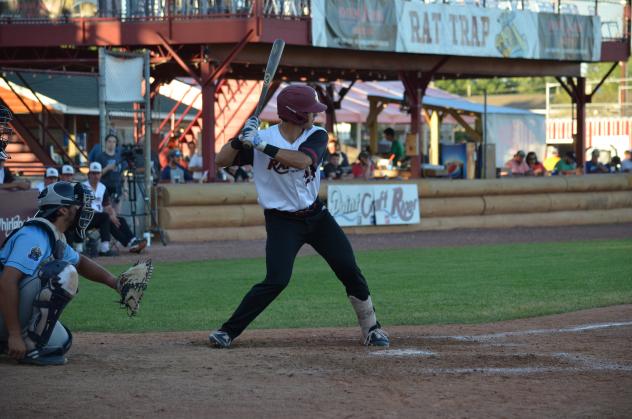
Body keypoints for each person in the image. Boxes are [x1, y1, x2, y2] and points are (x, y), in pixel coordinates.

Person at [210, 84, 389, 349]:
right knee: (277, 279)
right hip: (282, 221)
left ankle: (372, 328)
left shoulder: (316, 135)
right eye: (310, 112)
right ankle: (227, 331)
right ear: (295, 114)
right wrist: (239, 140)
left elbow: (303, 161)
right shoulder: (262, 137)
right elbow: (220, 161)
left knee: (349, 268)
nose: (314, 116)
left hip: (316, 216)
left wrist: (261, 145)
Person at [0, 182, 121, 365]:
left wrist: (116, 282)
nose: (83, 210)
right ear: (63, 210)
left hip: (10, 311)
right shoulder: (34, 234)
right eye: (77, 205)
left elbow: (81, 262)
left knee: (60, 342)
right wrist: (15, 334)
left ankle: (7, 343)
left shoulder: (53, 235)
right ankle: (28, 347)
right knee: (63, 272)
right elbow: (7, 281)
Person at [83, 162, 146, 255]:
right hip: (86, 218)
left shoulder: (102, 187)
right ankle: (106, 249)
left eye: (98, 173)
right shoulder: (83, 187)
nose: (95, 176)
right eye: (93, 173)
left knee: (119, 220)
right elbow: (82, 206)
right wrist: (108, 215)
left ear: (101, 174)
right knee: (105, 218)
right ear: (89, 174)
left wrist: (112, 214)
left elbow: (107, 206)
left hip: (101, 218)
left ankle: (132, 241)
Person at [94, 134, 124, 205]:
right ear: (106, 143)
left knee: (117, 214)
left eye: (114, 142)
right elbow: (95, 175)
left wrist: (125, 189)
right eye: (109, 141)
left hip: (117, 188)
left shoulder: (119, 157)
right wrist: (107, 168)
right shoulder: (100, 157)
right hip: (104, 189)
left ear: (116, 144)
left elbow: (122, 174)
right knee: (107, 213)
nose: (112, 144)